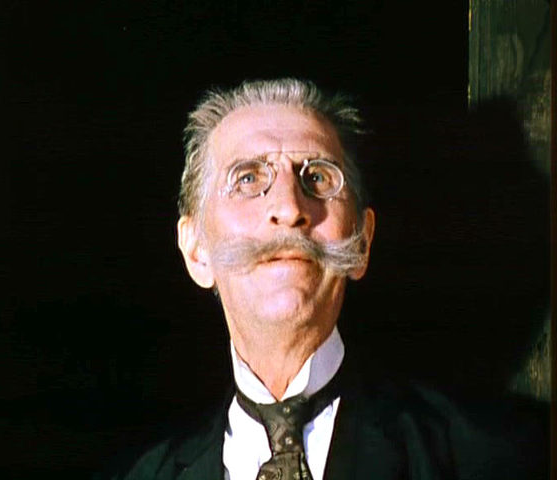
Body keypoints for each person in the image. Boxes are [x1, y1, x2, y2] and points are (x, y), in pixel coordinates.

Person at [108, 79, 547, 480]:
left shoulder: (502, 457)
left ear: (363, 241)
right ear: (196, 250)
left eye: (317, 177)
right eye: (248, 178)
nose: (289, 208)